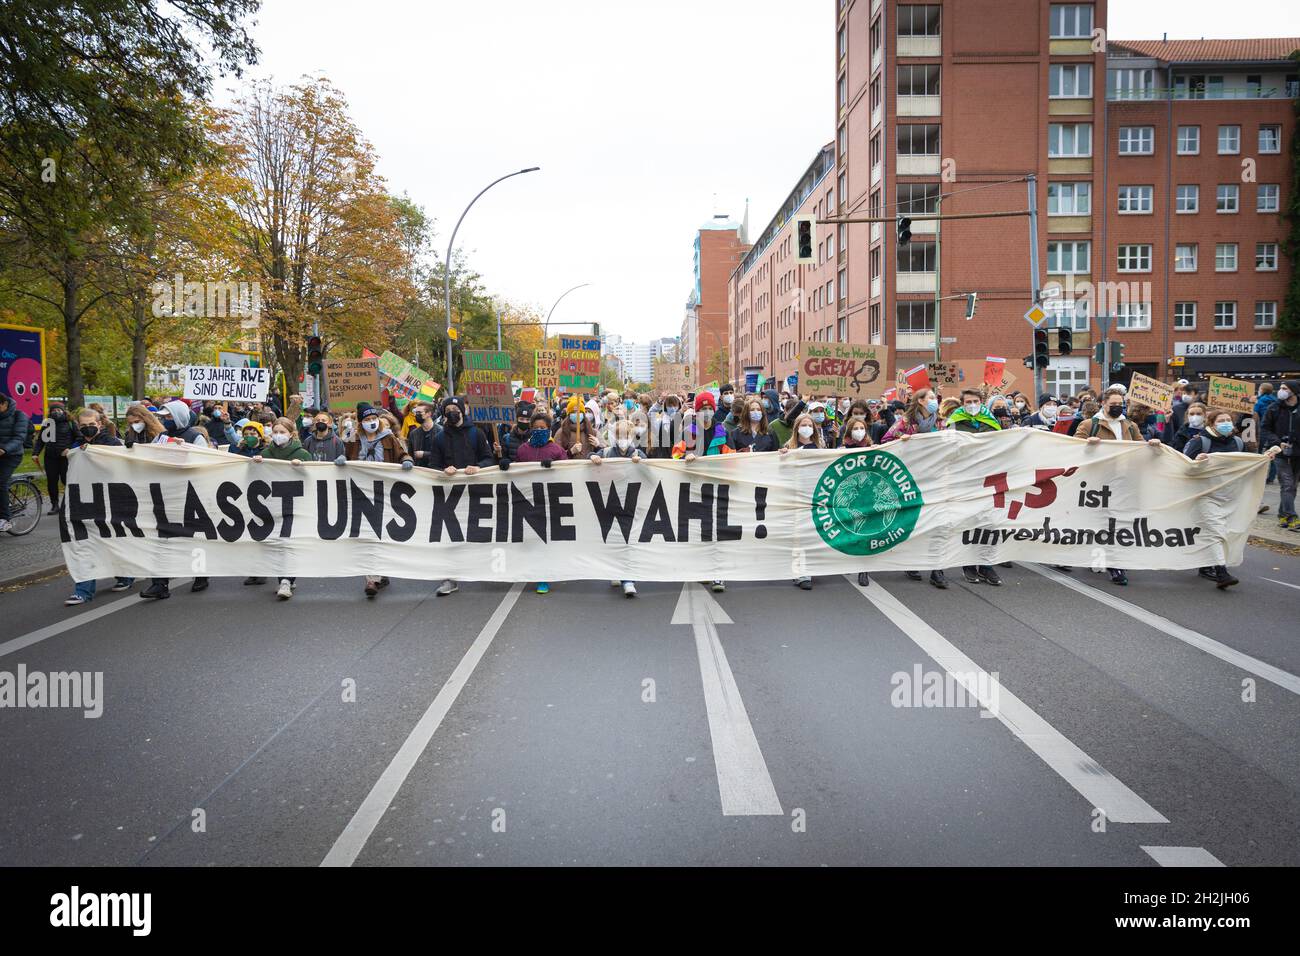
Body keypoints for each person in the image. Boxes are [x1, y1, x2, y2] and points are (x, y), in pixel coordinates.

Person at [1075, 390, 1164, 585]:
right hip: (1098, 482)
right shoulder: (1090, 425)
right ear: (1103, 404)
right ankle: (1103, 559)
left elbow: (1141, 447)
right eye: (1113, 403)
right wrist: (1087, 445)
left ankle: (1115, 564)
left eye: (1120, 403)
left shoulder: (1129, 426)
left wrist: (1153, 445)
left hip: (1125, 481)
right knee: (1100, 522)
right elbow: (1074, 448)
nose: (1118, 406)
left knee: (1117, 523)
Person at [1187, 410, 1281, 588]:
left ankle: (1206, 565)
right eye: (1221, 420)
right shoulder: (1200, 442)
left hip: (1230, 496)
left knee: (1225, 531)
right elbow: (1186, 468)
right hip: (1205, 496)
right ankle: (1222, 573)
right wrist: (1197, 463)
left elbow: (1246, 463)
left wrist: (1264, 458)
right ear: (1212, 424)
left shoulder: (1237, 443)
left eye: (1228, 420)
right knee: (1216, 531)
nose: (1225, 423)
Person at [139, 400, 213, 600]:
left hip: (189, 494)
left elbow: (204, 462)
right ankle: (159, 584)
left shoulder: (194, 437)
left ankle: (200, 575)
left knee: (192, 536)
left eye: (169, 416)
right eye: (164, 417)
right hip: (165, 494)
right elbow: (149, 458)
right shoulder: (161, 437)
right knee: (161, 538)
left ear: (179, 416)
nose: (165, 420)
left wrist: (185, 451)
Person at [63, 410, 134, 605]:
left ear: (99, 424)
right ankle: (83, 591)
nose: (87, 427)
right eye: (83, 424)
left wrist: (93, 453)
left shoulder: (111, 442)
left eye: (91, 423)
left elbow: (117, 467)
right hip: (84, 501)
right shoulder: (76, 445)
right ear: (78, 425)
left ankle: (125, 575)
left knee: (112, 540)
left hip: (109, 500)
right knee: (84, 543)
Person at [343, 401, 414, 598]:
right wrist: (341, 460)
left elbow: (403, 455)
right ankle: (371, 579)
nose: (372, 422)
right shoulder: (354, 439)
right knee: (368, 534)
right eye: (367, 419)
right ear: (361, 422)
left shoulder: (389, 438)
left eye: (374, 418)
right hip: (361, 491)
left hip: (385, 492)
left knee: (382, 533)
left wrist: (407, 461)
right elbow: (344, 455)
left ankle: (380, 572)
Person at [674, 392, 733, 593]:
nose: (706, 413)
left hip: (717, 487)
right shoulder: (689, 431)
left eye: (709, 409)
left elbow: (731, 458)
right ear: (696, 411)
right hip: (696, 488)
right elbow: (674, 454)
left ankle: (718, 573)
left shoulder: (722, 431)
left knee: (717, 531)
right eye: (702, 409)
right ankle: (701, 569)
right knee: (699, 531)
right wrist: (685, 456)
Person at [946, 388, 1003, 586]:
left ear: (981, 401)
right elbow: (948, 448)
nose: (972, 405)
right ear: (962, 403)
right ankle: (968, 565)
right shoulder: (954, 422)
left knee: (990, 522)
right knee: (968, 521)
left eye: (976, 401)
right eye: (968, 401)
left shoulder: (992, 422)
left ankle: (986, 565)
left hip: (989, 477)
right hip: (965, 479)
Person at [253, 418, 311, 599]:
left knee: (288, 541)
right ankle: (286, 577)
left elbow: (313, 479)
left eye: (282, 432)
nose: (278, 435)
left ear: (291, 434)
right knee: (278, 543)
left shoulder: (302, 454)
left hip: (294, 505)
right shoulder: (265, 453)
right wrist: (254, 464)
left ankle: (285, 580)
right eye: (275, 431)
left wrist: (302, 468)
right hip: (271, 504)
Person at [591, 419, 644, 597]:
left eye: (627, 435)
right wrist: (593, 457)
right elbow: (589, 457)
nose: (623, 438)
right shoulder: (606, 452)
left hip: (630, 501)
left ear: (632, 436)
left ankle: (628, 579)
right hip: (609, 500)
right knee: (613, 538)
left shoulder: (638, 453)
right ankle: (615, 570)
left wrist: (642, 463)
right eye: (620, 435)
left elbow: (651, 470)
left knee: (628, 538)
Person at [1261, 381, 1299, 531]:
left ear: (1294, 391)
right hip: (1279, 452)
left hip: (1297, 453)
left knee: (1292, 486)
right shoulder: (1274, 407)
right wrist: (1277, 442)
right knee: (1287, 484)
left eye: (1285, 388)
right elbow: (1264, 429)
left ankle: (1282, 514)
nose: (1281, 391)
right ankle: (1291, 516)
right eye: (1281, 388)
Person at [33, 400, 74, 513]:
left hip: (66, 458)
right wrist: (35, 453)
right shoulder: (47, 423)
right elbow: (41, 440)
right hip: (50, 457)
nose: (56, 412)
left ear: (63, 411)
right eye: (53, 410)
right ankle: (55, 505)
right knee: (51, 482)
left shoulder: (70, 422)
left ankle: (70, 504)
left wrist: (69, 449)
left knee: (67, 480)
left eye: (58, 410)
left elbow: (79, 438)